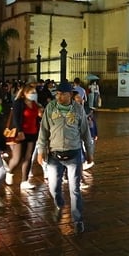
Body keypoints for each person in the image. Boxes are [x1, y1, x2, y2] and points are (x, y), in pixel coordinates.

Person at [37, 80, 94, 233]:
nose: (58, 95)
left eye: (62, 93)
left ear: (69, 94)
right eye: (57, 93)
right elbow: (43, 131)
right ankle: (59, 204)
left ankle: (77, 219)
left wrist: (89, 153)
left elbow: (85, 132)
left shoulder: (78, 109)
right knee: (54, 187)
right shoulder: (51, 108)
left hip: (74, 153)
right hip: (54, 155)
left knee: (74, 189)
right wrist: (40, 151)